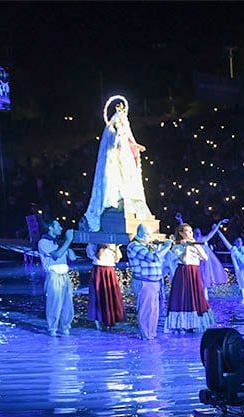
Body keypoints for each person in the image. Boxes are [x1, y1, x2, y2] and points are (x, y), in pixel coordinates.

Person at [83, 98, 152, 232]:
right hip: (114, 164)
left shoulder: (124, 132)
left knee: (128, 184)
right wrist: (119, 133)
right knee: (114, 184)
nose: (123, 123)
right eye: (121, 120)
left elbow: (128, 143)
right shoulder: (112, 132)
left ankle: (127, 202)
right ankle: (115, 203)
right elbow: (113, 145)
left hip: (126, 164)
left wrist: (136, 146)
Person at [164, 223, 215, 333]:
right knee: (183, 297)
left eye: (191, 231)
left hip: (194, 272)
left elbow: (205, 258)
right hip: (183, 273)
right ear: (181, 233)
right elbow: (185, 261)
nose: (191, 233)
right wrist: (186, 247)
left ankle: (196, 323)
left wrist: (194, 245)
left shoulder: (195, 244)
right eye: (188, 231)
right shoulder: (177, 246)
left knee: (196, 296)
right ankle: (181, 325)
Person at [127, 225, 170, 339]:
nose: (150, 237)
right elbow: (152, 258)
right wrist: (167, 247)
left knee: (154, 310)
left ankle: (151, 333)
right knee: (146, 310)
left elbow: (159, 258)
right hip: (144, 282)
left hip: (154, 283)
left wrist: (160, 247)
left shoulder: (146, 245)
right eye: (148, 234)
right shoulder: (134, 246)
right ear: (140, 233)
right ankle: (146, 335)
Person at [37, 219, 76, 337]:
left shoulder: (59, 242)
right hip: (54, 276)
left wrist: (67, 244)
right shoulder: (43, 242)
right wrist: (68, 240)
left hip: (65, 276)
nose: (61, 228)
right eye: (58, 226)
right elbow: (56, 255)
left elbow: (73, 257)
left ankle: (65, 326)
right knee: (54, 303)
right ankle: (52, 328)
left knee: (67, 303)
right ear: (50, 228)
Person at [85, 240, 124, 330]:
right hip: (99, 271)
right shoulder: (93, 244)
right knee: (99, 296)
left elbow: (117, 259)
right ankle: (98, 320)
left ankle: (110, 320)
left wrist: (117, 247)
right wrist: (103, 245)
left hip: (109, 271)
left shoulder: (113, 242)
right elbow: (100, 257)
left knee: (110, 295)